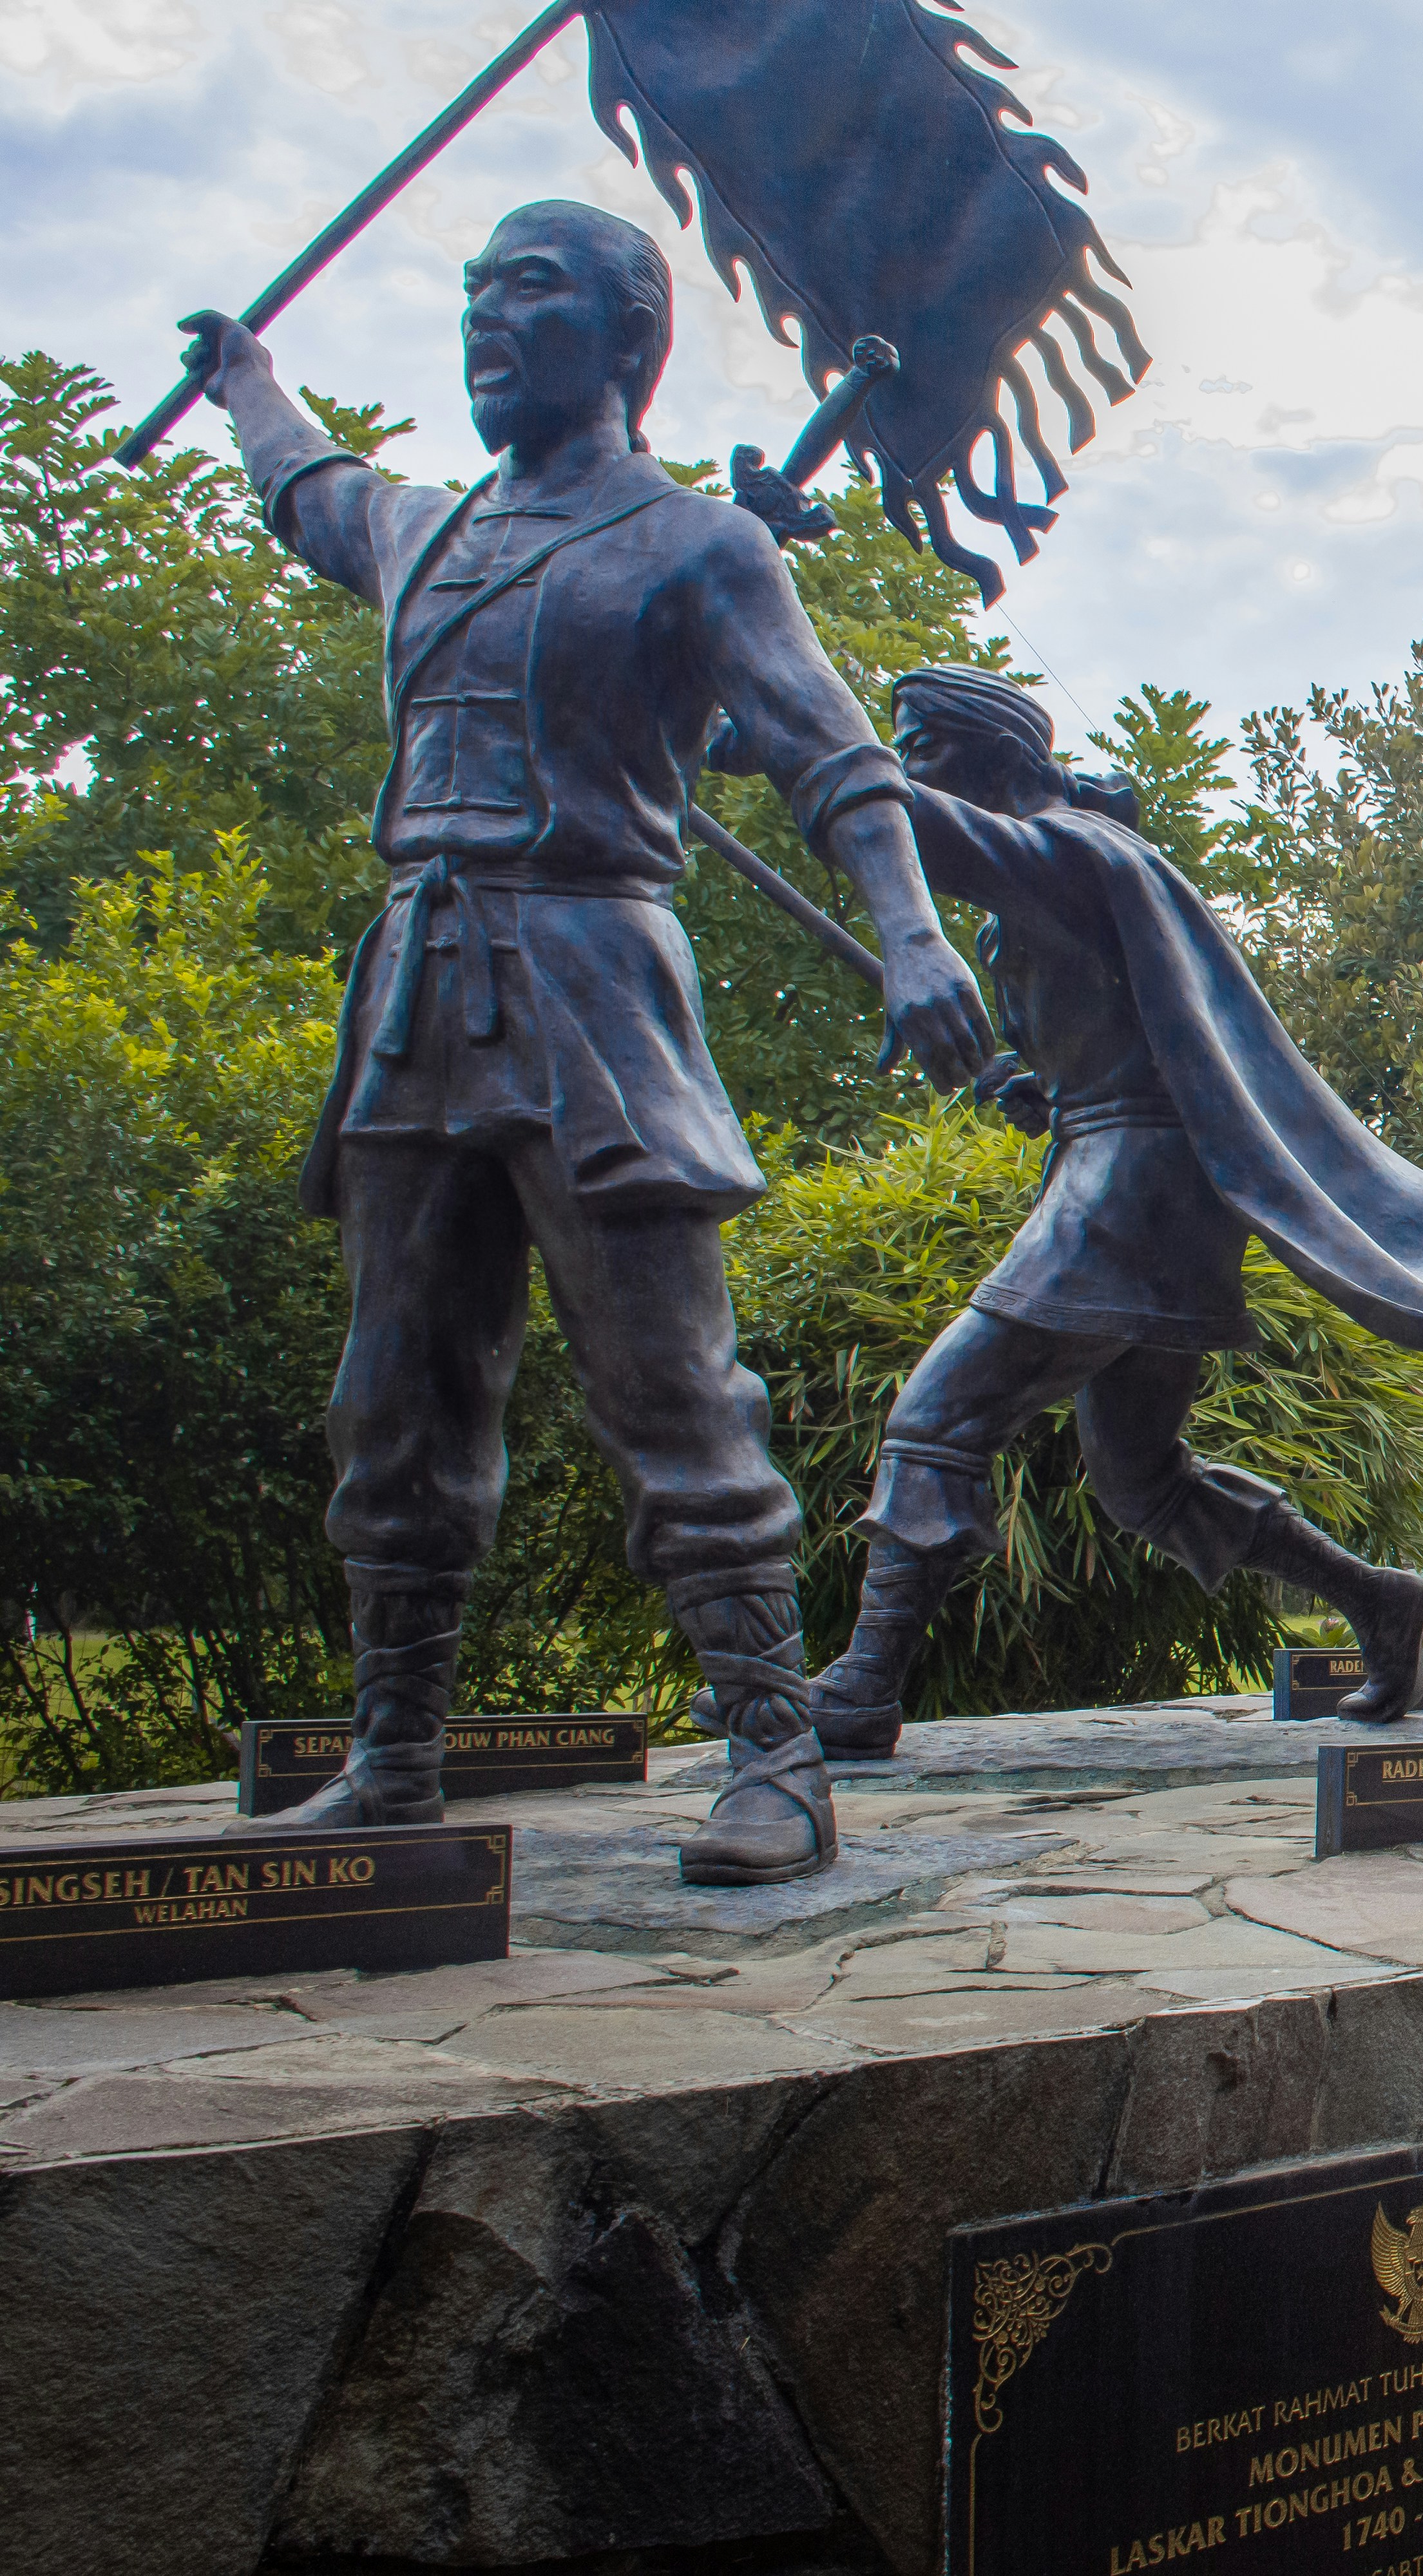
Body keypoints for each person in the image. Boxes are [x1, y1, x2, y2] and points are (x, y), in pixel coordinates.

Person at [178, 204, 997, 1884]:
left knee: (669, 1383)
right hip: (417, 994)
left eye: (529, 288)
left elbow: (833, 752)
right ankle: (393, 1754)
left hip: (594, 983)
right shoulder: (425, 531)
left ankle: (775, 1752)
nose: (485, 316)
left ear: (630, 337)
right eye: (474, 290)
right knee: (393, 1393)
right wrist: (247, 378)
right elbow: (310, 489)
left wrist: (913, 935)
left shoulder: (698, 546)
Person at [805, 667, 1423, 1742]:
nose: (911, 767)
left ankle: (863, 1686)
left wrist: (804, 744)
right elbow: (1121, 1044)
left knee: (937, 1418)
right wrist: (1045, 1087)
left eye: (922, 746)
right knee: (1141, 1479)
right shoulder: (1070, 868)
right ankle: (1377, 1599)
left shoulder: (1067, 850)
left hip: (1127, 1194)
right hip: (1141, 1187)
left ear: (996, 755)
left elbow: (910, 824)